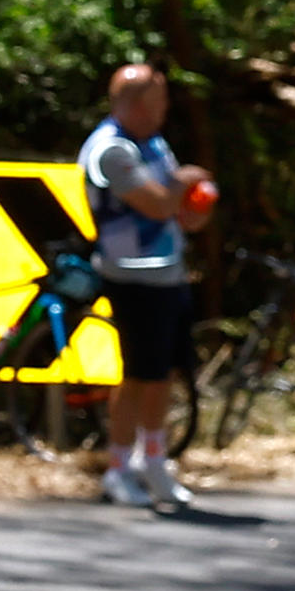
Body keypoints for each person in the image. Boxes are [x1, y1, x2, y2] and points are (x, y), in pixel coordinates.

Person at [79, 60, 210, 512]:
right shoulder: (110, 150)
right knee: (138, 374)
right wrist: (184, 183)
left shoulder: (152, 143)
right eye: (157, 102)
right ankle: (119, 468)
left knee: (163, 373)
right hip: (131, 276)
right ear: (134, 104)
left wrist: (194, 206)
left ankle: (153, 461)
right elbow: (156, 203)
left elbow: (176, 207)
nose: (164, 110)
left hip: (167, 272)